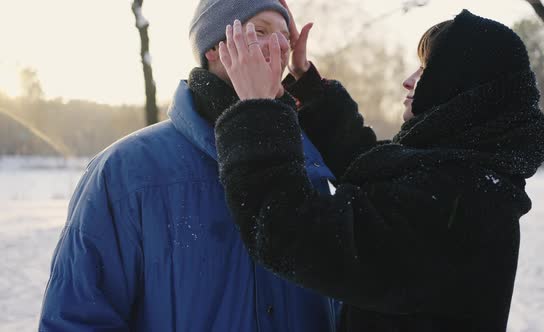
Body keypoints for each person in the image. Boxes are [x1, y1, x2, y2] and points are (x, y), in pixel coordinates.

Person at [214, 9, 544, 332]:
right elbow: (376, 171)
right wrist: (310, 87)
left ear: (462, 88)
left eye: (426, 70)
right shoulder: (466, 175)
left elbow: (291, 231)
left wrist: (257, 112)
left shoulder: (459, 203)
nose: (409, 81)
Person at [38, 0, 340, 331]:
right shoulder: (127, 171)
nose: (280, 46)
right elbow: (77, 319)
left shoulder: (311, 165)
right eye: (260, 32)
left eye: (285, 36)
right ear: (215, 47)